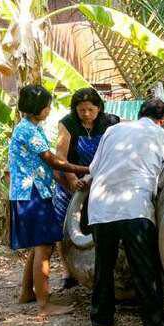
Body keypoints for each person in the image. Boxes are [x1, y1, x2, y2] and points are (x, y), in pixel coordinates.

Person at [82, 98, 164, 326]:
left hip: (101, 205)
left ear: (140, 113)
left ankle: (100, 319)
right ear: (163, 120)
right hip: (135, 206)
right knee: (144, 268)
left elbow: (94, 168)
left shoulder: (113, 131)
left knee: (104, 264)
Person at [9, 84, 90, 316]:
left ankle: (27, 293)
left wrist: (69, 181)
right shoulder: (30, 131)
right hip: (33, 193)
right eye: (47, 106)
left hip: (30, 192)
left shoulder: (29, 127)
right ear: (38, 108)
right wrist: (86, 169)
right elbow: (53, 161)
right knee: (44, 247)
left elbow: (45, 165)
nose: (49, 110)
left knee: (38, 246)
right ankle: (45, 305)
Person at [53, 87, 120, 289]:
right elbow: (60, 157)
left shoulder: (111, 122)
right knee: (63, 224)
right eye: (82, 110)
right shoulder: (68, 123)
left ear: (99, 108)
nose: (86, 114)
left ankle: (96, 266)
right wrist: (73, 179)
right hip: (70, 179)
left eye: (90, 109)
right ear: (75, 109)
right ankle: (67, 269)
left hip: (101, 180)